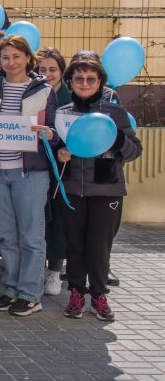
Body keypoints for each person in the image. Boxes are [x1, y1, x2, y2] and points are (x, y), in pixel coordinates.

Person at [0, 36, 58, 317]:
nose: (11, 62)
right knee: (7, 236)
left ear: (27, 58)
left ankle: (31, 294)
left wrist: (48, 134)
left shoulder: (44, 90)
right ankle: (11, 289)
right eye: (5, 57)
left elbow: (55, 132)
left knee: (31, 236)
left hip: (31, 173)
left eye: (16, 57)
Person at [57, 57, 142, 322]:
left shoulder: (114, 113)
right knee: (75, 245)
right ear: (70, 81)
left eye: (90, 79)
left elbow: (134, 151)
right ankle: (76, 293)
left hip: (106, 190)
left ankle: (99, 295)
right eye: (79, 78)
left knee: (99, 246)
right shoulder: (64, 112)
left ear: (100, 83)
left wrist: (117, 138)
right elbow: (54, 147)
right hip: (72, 188)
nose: (84, 83)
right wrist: (58, 153)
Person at [36, 47, 71, 293]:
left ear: (62, 72)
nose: (47, 74)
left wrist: (63, 148)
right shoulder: (34, 93)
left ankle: (55, 271)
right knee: (37, 218)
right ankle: (36, 267)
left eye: (52, 69)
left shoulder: (70, 99)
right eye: (42, 69)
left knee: (58, 218)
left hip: (64, 166)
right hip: (36, 162)